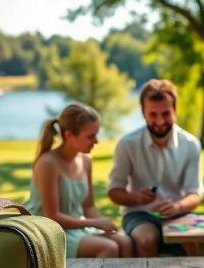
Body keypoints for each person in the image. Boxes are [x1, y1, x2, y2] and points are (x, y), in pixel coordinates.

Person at [108, 78, 204, 256]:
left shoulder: (190, 144)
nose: (160, 121)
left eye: (166, 113)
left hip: (179, 214)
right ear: (143, 113)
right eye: (153, 114)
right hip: (138, 214)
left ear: (175, 110)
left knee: (192, 239)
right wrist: (136, 198)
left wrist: (178, 206)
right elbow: (114, 192)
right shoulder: (127, 144)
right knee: (147, 239)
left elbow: (196, 194)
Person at [27, 103, 133, 258]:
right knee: (109, 248)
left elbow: (88, 206)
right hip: (50, 231)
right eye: (90, 136)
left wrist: (103, 223)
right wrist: (94, 223)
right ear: (69, 135)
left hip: (78, 227)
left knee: (125, 242)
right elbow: (52, 217)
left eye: (97, 134)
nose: (96, 141)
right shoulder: (48, 163)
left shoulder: (86, 160)